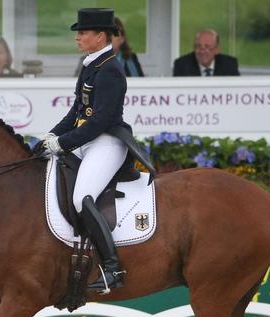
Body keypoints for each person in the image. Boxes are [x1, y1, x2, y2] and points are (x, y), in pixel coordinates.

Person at [35, 8, 154, 294]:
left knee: (81, 197)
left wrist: (64, 143)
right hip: (88, 139)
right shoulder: (91, 64)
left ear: (100, 36)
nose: (77, 38)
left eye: (83, 33)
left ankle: (112, 268)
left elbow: (100, 121)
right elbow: (77, 111)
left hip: (107, 141)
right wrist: (53, 135)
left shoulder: (111, 69)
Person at [73, 17, 144, 77]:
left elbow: (141, 84)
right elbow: (77, 85)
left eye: (111, 34)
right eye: (106, 34)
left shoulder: (131, 58)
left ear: (122, 39)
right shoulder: (87, 60)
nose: (108, 38)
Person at [172, 29, 240, 76]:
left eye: (207, 47)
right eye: (198, 46)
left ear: (217, 49)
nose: (202, 51)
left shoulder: (229, 64)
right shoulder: (182, 65)